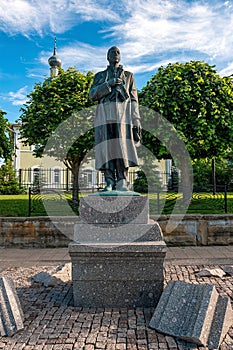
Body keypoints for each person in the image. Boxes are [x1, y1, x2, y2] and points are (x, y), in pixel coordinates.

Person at [89, 46, 141, 191]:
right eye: (112, 52)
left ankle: (122, 180)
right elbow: (92, 95)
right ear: (108, 56)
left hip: (122, 115)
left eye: (118, 52)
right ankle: (109, 181)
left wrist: (136, 120)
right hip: (104, 115)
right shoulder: (99, 76)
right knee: (106, 147)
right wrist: (108, 84)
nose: (115, 54)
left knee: (121, 147)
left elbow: (134, 99)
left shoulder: (129, 76)